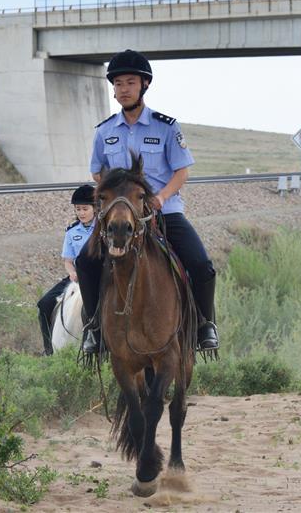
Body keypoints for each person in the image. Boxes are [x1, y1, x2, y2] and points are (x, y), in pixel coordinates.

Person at [76, 49, 219, 355]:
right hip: (119, 217)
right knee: (85, 262)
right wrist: (111, 199)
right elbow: (97, 171)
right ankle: (94, 329)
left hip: (164, 213)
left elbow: (182, 171)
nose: (123, 89)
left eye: (130, 82)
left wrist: (161, 197)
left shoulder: (166, 127)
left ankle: (205, 324)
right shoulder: (104, 131)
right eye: (118, 84)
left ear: (144, 85)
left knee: (201, 265)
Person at [36, 184, 96, 355]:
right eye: (78, 209)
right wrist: (72, 272)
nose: (81, 213)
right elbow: (68, 261)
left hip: (97, 277)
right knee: (44, 304)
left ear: (95, 208)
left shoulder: (103, 229)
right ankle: (49, 350)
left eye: (85, 209)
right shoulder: (72, 232)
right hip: (77, 276)